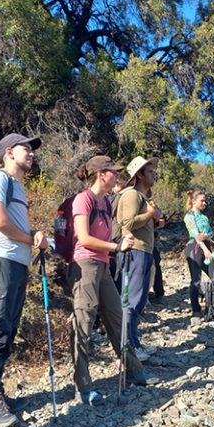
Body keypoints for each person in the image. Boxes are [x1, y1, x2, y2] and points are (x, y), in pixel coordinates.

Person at [70, 156, 158, 404]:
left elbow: (115, 231)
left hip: (103, 264)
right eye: (113, 172)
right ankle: (82, 385)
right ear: (101, 175)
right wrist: (116, 247)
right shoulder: (84, 199)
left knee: (117, 319)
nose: (118, 175)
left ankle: (135, 369)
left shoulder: (106, 203)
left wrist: (121, 241)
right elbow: (84, 238)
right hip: (85, 265)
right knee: (84, 323)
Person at [0, 133, 48, 427]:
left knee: (8, 328)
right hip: (0, 262)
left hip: (16, 264)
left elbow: (14, 224)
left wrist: (35, 236)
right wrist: (31, 239)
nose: (31, 153)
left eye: (32, 150)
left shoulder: (17, 186)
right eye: (26, 148)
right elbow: (0, 221)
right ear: (9, 152)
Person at [116, 156, 165, 361]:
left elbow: (144, 223)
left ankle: (134, 342)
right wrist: (149, 215)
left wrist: (156, 220)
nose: (154, 174)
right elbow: (126, 223)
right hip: (134, 252)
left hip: (144, 251)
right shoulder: (131, 195)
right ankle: (128, 347)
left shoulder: (143, 198)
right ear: (139, 175)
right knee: (131, 300)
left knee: (139, 300)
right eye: (150, 171)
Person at [183, 189, 214, 318]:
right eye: (202, 201)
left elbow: (210, 233)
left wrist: (206, 237)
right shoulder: (189, 216)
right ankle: (196, 310)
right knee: (196, 279)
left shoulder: (204, 217)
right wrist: (205, 248)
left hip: (206, 247)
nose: (204, 203)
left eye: (205, 201)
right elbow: (196, 235)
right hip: (195, 248)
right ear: (193, 201)